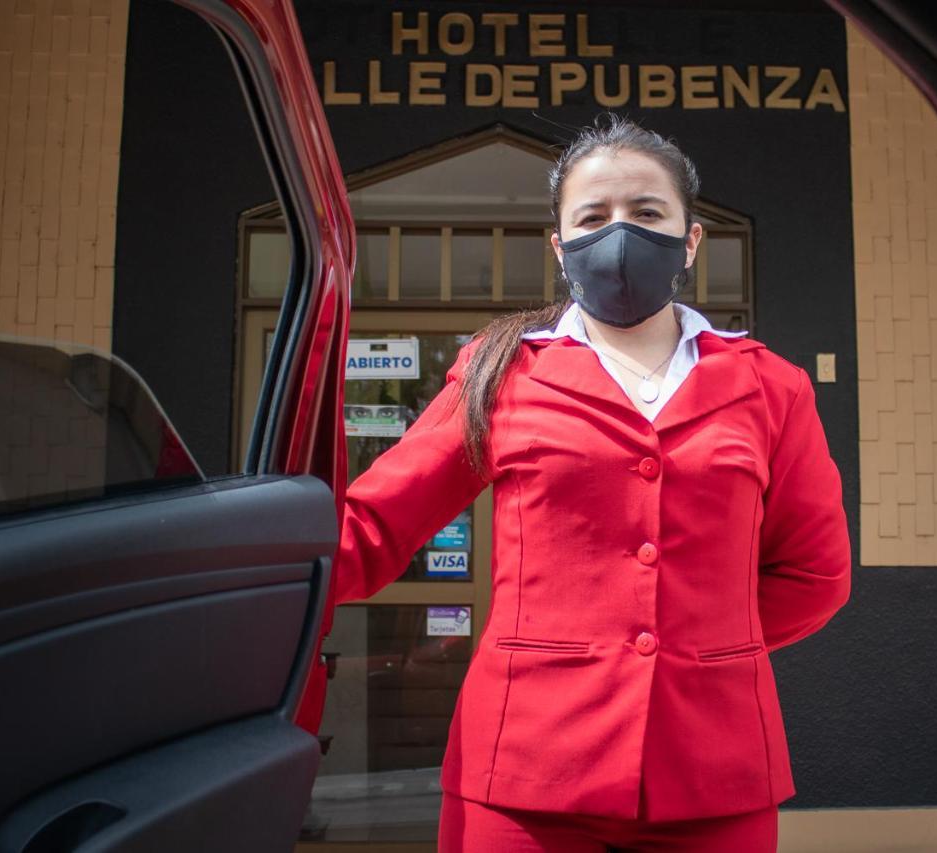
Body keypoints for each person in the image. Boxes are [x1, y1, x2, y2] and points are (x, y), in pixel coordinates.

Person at [333, 113, 852, 852]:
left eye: (646, 213)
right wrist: (243, 575)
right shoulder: (502, 370)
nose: (619, 233)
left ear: (690, 239)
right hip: (526, 768)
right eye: (593, 216)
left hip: (712, 768)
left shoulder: (772, 386)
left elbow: (815, 574)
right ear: (560, 245)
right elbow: (375, 527)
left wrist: (695, 647)